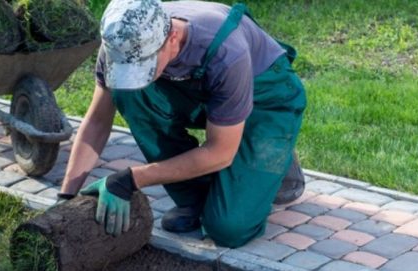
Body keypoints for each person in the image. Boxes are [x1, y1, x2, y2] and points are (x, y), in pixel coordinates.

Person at [58, 0, 306, 248]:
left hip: (266, 99)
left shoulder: (227, 52)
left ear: (172, 38)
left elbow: (220, 152)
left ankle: (273, 153)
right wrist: (66, 196)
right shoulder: (122, 42)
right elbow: (97, 121)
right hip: (204, 94)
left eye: (143, 67)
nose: (134, 75)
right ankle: (199, 197)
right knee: (127, 93)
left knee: (229, 229)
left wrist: (132, 179)